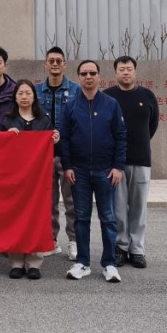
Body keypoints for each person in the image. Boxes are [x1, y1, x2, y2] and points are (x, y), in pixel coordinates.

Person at [60, 60, 127, 283]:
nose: (88, 77)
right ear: (78, 77)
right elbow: (65, 139)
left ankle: (109, 264)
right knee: (81, 218)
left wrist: (118, 167)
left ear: (99, 77)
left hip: (105, 171)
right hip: (78, 171)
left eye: (92, 73)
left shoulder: (111, 104)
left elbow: (120, 136)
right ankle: (83, 262)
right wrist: (68, 166)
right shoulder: (71, 105)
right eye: (84, 73)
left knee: (108, 218)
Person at [105, 56, 159, 269]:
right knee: (118, 207)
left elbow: (152, 125)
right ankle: (121, 246)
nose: (125, 72)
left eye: (129, 69)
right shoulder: (107, 96)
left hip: (141, 159)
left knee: (139, 207)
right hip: (115, 163)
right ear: (115, 73)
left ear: (135, 72)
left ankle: (137, 249)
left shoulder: (147, 96)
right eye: (121, 69)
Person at [3, 79, 58, 280]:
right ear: (15, 97)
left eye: (28, 93)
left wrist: (55, 139)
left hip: (38, 179)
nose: (24, 97)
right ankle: (16, 261)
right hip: (14, 178)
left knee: (37, 217)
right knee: (15, 217)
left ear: (34, 96)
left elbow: (50, 150)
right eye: (20, 93)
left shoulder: (44, 121)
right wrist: (6, 136)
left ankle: (34, 262)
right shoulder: (7, 120)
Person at [36, 46, 79, 260]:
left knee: (72, 201)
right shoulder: (36, 91)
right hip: (43, 156)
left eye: (58, 61)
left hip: (69, 155)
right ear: (45, 64)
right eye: (51, 61)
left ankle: (74, 240)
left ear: (64, 65)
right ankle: (51, 240)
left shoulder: (76, 91)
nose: (54, 64)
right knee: (48, 201)